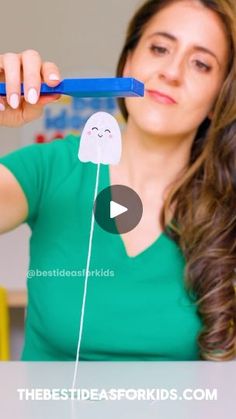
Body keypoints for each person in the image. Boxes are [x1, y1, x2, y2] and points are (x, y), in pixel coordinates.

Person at [0, 0, 235, 362]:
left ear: (219, 96)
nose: (171, 72)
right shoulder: (53, 167)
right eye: (159, 48)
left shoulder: (226, 207)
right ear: (127, 61)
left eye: (201, 63)